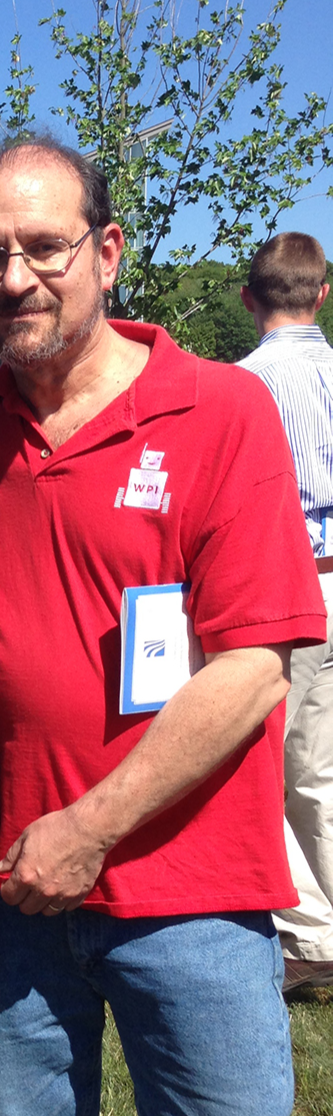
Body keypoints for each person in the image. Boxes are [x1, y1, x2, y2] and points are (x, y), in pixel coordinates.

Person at [0, 137, 325, 1116]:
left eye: (44, 246)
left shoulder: (220, 409)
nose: (16, 276)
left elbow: (254, 665)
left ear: (105, 251)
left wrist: (87, 830)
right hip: (11, 904)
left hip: (190, 897)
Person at [238, 232, 333, 994]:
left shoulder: (245, 387)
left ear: (249, 298)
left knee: (275, 763)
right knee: (323, 767)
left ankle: (301, 935)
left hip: (291, 583)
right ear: (322, 294)